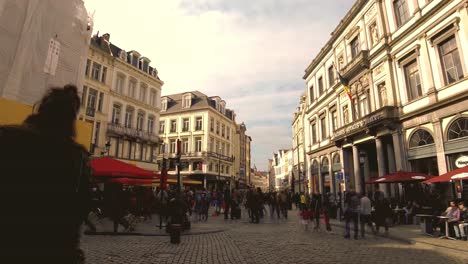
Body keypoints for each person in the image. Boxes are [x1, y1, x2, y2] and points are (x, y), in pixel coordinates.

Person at [0, 85, 91, 263]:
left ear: (41, 108)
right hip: (57, 250)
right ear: (71, 119)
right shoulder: (77, 156)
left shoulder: (7, 137)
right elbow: (79, 209)